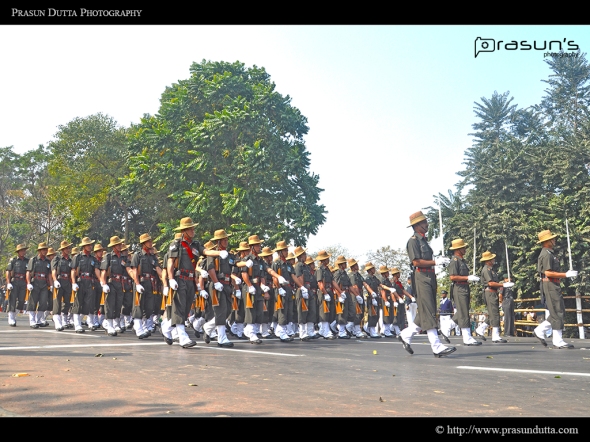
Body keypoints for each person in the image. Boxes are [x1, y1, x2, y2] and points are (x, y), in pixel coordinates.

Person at [399, 211, 456, 357]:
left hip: (429, 275)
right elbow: (416, 262)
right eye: (424, 222)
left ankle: (405, 335)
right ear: (417, 225)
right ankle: (436, 346)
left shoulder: (424, 241)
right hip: (421, 276)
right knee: (429, 310)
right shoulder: (413, 241)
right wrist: (435, 261)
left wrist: (437, 262)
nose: (427, 224)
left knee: (425, 310)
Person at [533, 229, 577, 349]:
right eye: (552, 239)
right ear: (547, 241)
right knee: (557, 311)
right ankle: (557, 340)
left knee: (557, 310)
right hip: (550, 284)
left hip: (553, 284)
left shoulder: (549, 253)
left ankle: (540, 330)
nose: (554, 240)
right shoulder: (546, 254)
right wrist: (565, 275)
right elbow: (548, 272)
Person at [447, 238, 481, 346]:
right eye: (463, 247)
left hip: (464, 287)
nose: (465, 249)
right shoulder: (454, 261)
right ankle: (467, 337)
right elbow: (452, 277)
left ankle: (446, 327)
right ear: (458, 249)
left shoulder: (462, 261)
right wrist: (467, 277)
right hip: (459, 287)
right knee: (464, 313)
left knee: (463, 311)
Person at [99, 236, 130, 337]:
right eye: (118, 244)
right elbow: (103, 271)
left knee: (118, 303)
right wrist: (103, 284)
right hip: (111, 282)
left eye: (120, 244)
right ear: (113, 246)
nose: (120, 246)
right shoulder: (108, 256)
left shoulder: (124, 258)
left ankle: (116, 324)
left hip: (120, 283)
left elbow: (128, 269)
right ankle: (110, 325)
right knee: (110, 304)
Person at [476, 251, 508, 343]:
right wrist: (503, 285)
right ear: (488, 260)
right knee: (494, 314)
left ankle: (480, 329)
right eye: (492, 258)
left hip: (492, 292)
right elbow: (490, 283)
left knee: (492, 314)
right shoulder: (486, 270)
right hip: (490, 292)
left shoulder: (491, 269)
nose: (494, 260)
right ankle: (495, 335)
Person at [26, 242, 53, 328]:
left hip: (44, 283)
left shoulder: (48, 261)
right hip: (35, 282)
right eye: (43, 249)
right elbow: (28, 272)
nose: (45, 251)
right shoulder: (33, 260)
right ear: (39, 251)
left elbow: (49, 274)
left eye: (46, 249)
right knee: (33, 302)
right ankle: (32, 321)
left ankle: (38, 320)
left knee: (43, 302)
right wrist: (28, 283)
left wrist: (51, 285)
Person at [5, 244, 30, 326]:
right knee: (12, 299)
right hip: (15, 281)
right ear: (18, 252)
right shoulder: (13, 260)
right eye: (22, 250)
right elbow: (8, 271)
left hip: (23, 282)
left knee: (22, 301)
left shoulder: (27, 261)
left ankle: (13, 314)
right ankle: (11, 317)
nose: (23, 252)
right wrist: (8, 283)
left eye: (24, 250)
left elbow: (29, 272)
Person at [51, 241, 73, 331]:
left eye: (69, 248)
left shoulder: (70, 260)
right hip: (59, 280)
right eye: (67, 248)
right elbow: (53, 270)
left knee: (67, 302)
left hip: (67, 281)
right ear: (63, 249)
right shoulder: (57, 259)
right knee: (57, 301)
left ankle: (64, 320)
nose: (68, 250)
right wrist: (55, 280)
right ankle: (57, 321)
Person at [315, 250, 336, 339]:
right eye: (327, 258)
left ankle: (323, 330)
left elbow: (332, 281)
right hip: (324, 292)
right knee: (324, 312)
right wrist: (325, 293)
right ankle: (325, 331)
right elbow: (320, 284)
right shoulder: (320, 270)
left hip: (329, 291)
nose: (328, 260)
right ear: (323, 260)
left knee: (329, 312)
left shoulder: (327, 270)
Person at [347, 258, 368, 339]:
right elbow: (354, 287)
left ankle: (351, 328)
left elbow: (364, 283)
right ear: (353, 266)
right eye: (356, 265)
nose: (357, 266)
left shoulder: (358, 275)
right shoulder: (352, 275)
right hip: (355, 295)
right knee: (357, 313)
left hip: (360, 293)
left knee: (361, 313)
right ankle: (356, 330)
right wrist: (358, 296)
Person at [362, 261, 382, 338]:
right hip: (371, 298)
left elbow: (379, 285)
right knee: (373, 315)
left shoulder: (374, 278)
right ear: (370, 270)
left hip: (376, 297)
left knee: (376, 315)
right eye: (373, 268)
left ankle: (366, 328)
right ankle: (372, 331)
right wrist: (373, 298)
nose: (374, 269)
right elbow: (369, 289)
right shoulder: (368, 279)